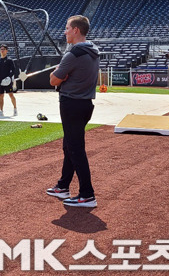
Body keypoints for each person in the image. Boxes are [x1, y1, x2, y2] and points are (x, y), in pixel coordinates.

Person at [46, 15, 100, 208]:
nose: (65, 31)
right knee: (69, 145)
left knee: (76, 149)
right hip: (85, 105)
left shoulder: (73, 54)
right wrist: (63, 72)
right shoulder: (93, 51)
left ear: (76, 30)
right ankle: (63, 186)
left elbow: (53, 80)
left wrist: (59, 71)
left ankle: (87, 194)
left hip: (71, 104)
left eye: (67, 28)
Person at [0, 44, 17, 117]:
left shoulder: (9, 60)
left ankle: (15, 109)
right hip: (0, 81)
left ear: (7, 51)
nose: (2, 51)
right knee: (1, 96)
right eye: (1, 49)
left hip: (7, 81)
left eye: (3, 49)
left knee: (11, 95)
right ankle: (1, 111)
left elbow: (13, 70)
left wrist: (9, 77)